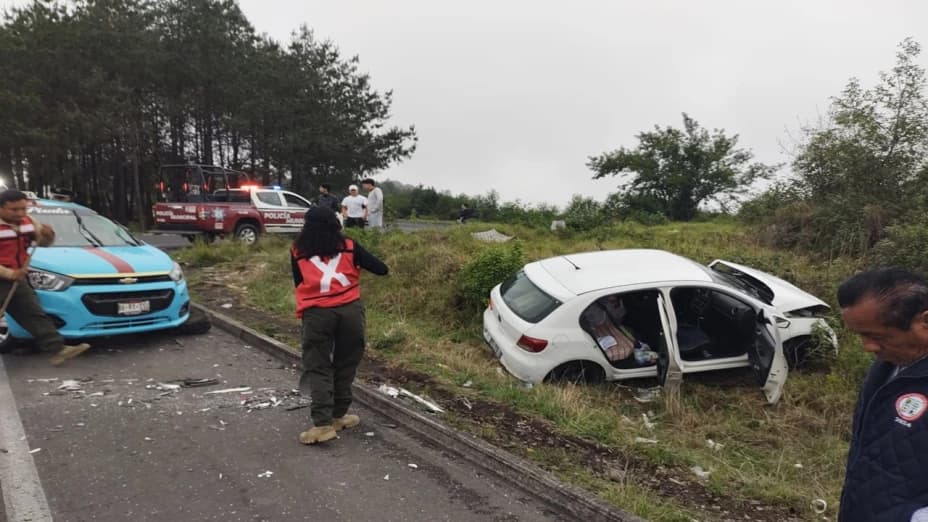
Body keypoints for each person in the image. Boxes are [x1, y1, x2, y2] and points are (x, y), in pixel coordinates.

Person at [291, 206, 388, 444]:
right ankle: (338, 415)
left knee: (319, 365)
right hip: (350, 312)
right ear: (336, 224)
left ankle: (323, 424)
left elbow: (298, 281)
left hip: (317, 314)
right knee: (346, 362)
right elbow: (381, 269)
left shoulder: (298, 251)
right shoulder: (350, 246)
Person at [837, 267, 928, 522]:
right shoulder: (889, 365)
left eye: (876, 336)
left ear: (924, 321)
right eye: (861, 335)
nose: (868, 347)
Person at [0, 189, 90, 365]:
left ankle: (57, 349)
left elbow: (43, 242)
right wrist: (10, 273)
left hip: (17, 279)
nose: (20, 213)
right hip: (7, 275)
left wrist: (48, 235)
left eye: (23, 209)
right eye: (14, 210)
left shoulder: (28, 221)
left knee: (33, 313)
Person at [581, 295, 656, 365]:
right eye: (611, 299)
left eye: (615, 299)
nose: (613, 300)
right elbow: (591, 322)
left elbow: (619, 318)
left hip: (616, 327)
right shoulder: (592, 305)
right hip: (597, 330)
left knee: (633, 336)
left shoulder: (619, 305)